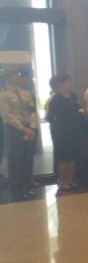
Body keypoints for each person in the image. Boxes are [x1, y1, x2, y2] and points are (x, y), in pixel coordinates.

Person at [0, 68, 39, 201]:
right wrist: (23, 128)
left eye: (18, 74)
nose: (17, 76)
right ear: (8, 77)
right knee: (16, 160)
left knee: (27, 158)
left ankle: (27, 187)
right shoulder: (4, 95)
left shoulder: (26, 93)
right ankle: (17, 190)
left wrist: (32, 127)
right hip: (14, 129)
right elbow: (7, 115)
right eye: (14, 74)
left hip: (29, 127)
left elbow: (32, 110)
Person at [47, 74, 82, 191]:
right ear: (60, 84)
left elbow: (79, 108)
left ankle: (70, 180)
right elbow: (49, 117)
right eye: (67, 81)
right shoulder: (55, 98)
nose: (70, 83)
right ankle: (63, 180)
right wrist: (58, 127)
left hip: (74, 131)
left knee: (72, 156)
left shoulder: (73, 96)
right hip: (61, 133)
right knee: (63, 157)